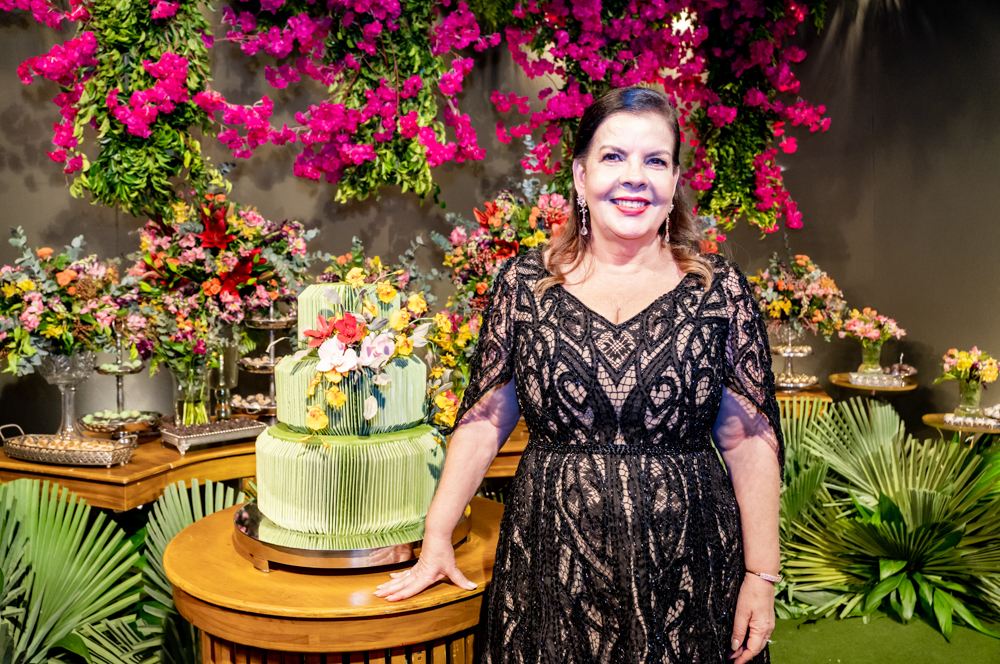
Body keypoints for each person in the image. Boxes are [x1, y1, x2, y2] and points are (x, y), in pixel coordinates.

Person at [375, 86, 782, 664]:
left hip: (689, 571)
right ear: (580, 175)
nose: (634, 177)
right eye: (614, 156)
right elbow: (485, 420)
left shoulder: (717, 291)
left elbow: (748, 440)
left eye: (655, 161)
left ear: (674, 182)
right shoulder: (525, 286)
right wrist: (436, 536)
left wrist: (761, 576)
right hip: (552, 564)